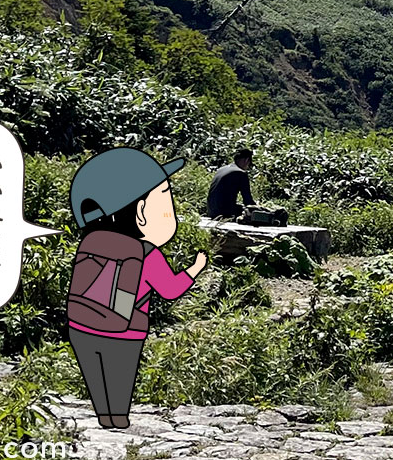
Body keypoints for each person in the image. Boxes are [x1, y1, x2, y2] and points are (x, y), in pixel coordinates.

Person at [65, 148, 206, 430]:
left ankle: (103, 415)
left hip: (80, 325)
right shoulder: (147, 253)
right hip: (125, 330)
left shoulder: (91, 241)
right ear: (141, 212)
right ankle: (117, 419)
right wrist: (194, 269)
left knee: (96, 375)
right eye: (165, 198)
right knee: (119, 376)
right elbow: (169, 290)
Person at [204, 147, 254, 219]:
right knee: (250, 212)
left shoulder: (221, 169)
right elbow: (248, 201)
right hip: (224, 212)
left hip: (211, 211)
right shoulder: (241, 173)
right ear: (246, 160)